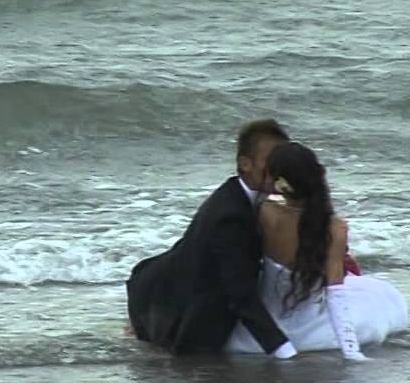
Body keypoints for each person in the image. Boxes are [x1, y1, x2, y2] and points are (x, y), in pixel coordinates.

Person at [126, 119, 299, 358]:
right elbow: (240, 295)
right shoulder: (231, 215)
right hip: (181, 314)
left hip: (167, 286)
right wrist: (282, 350)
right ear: (245, 164)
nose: (279, 169)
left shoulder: (237, 195)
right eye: (271, 161)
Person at [225, 142, 409, 360]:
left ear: (279, 183)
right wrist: (351, 351)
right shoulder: (335, 228)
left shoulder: (265, 213)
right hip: (316, 331)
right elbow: (335, 294)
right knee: (383, 297)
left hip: (262, 331)